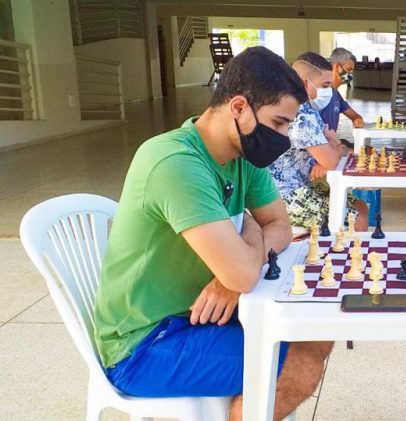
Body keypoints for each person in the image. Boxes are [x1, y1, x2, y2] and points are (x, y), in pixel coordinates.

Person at [93, 47, 333, 421]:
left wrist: (233, 273)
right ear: (239, 107)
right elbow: (245, 270)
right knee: (298, 363)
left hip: (201, 317)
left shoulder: (242, 155)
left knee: (318, 330)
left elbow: (280, 226)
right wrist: (239, 263)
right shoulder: (175, 164)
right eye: (279, 123)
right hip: (145, 343)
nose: (284, 138)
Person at [269, 51, 368, 231]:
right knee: (358, 219)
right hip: (286, 193)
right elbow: (331, 161)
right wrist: (335, 144)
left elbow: (331, 150)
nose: (329, 90)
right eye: (325, 85)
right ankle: (344, 257)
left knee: (360, 204)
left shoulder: (309, 110)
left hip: (304, 185)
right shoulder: (301, 115)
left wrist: (334, 145)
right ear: (306, 84)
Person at [320, 47, 365, 133]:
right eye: (348, 70)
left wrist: (357, 119)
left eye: (352, 71)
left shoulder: (336, 95)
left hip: (331, 142)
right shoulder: (319, 93)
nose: (350, 74)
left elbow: (353, 115)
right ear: (336, 67)